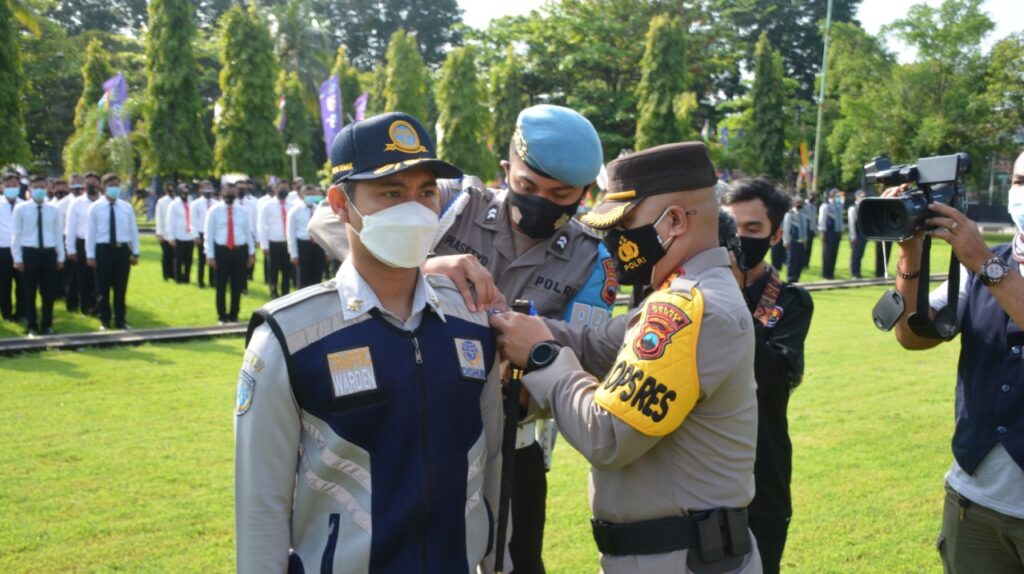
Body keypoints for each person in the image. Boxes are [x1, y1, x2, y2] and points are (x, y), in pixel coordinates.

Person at [308, 103, 618, 574]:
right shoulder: (454, 200)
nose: (539, 202)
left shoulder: (592, 259)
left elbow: (585, 350)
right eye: (527, 186)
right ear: (506, 169)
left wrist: (515, 334)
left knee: (513, 561)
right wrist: (422, 267)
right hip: (407, 419)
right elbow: (326, 220)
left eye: (560, 194)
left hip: (512, 436)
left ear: (584, 194)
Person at [236, 111, 506, 573]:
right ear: (340, 204)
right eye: (391, 192)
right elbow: (261, 505)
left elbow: (494, 469)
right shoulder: (289, 338)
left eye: (426, 192)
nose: (415, 209)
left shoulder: (473, 324)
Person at [490, 142, 760, 573]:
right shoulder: (683, 296)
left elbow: (607, 436)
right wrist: (499, 321)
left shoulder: (689, 309)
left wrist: (542, 356)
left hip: (679, 559)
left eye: (625, 224)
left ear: (673, 220)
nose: (614, 240)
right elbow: (596, 343)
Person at [887, 151, 1024, 574]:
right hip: (975, 503)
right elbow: (913, 335)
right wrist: (911, 254)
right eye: (1020, 182)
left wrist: (985, 263)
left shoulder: (984, 261)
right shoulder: (982, 263)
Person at [722, 178, 813, 574]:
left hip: (763, 468)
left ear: (776, 235)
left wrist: (733, 295)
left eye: (753, 230)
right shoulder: (688, 293)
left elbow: (777, 377)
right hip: (701, 467)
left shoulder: (791, 301)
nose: (739, 238)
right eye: (730, 227)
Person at [11, 176, 65, 335]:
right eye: (36, 187)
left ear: (47, 189)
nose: (39, 190)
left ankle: (47, 325)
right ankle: (32, 325)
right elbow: (16, 235)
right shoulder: (21, 209)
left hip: (48, 253)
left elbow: (57, 234)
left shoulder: (53, 210)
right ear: (30, 190)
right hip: (30, 253)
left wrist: (60, 257)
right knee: (29, 292)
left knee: (48, 292)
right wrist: (18, 258)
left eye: (42, 187)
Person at [85, 173, 139, 330]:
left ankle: (120, 320)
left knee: (120, 288)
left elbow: (133, 231)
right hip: (103, 250)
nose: (114, 188)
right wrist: (90, 255)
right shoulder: (95, 208)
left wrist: (135, 252)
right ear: (102, 187)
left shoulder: (126, 207)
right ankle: (105, 320)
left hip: (121, 250)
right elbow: (91, 233)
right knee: (103, 288)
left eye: (116, 185)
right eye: (110, 185)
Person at [205, 181, 254, 323]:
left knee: (237, 285)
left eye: (233, 193)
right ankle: (222, 315)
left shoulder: (243, 211)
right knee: (221, 285)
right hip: (221, 251)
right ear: (222, 192)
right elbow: (209, 234)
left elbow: (248, 233)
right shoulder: (214, 210)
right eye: (227, 192)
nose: (230, 195)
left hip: (239, 251)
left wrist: (251, 253)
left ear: (236, 194)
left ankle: (234, 314)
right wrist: (210, 255)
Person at [65, 174, 100, 316]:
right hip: (82, 243)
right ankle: (85, 307)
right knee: (84, 278)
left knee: (99, 278)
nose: (92, 187)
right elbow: (70, 227)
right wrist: (71, 248)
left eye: (94, 184)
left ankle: (98, 305)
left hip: (100, 243)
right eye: (89, 184)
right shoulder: (77, 203)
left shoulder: (103, 202)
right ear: (84, 187)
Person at [258, 179, 295, 298]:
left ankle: (285, 292)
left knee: (287, 270)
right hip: (273, 243)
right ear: (275, 189)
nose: (284, 190)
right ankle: (273, 291)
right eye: (281, 188)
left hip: (287, 243)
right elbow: (262, 226)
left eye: (286, 188)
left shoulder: (292, 206)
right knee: (273, 270)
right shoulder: (267, 205)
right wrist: (264, 245)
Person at [287, 184, 326, 289]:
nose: (310, 197)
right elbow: (290, 233)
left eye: (313, 194)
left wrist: (327, 250)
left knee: (317, 277)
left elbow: (323, 230)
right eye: (307, 194)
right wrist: (293, 253)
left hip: (318, 246)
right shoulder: (295, 211)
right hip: (303, 246)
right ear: (301, 195)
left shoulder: (319, 209)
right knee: (303, 278)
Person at [1, 172, 25, 321]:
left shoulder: (24, 205)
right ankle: (7, 313)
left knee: (23, 284)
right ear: (2, 187)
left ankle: (22, 312)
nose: (11, 188)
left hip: (21, 250)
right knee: (4, 284)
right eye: (8, 186)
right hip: (2, 249)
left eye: (14, 186)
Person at [166, 184, 196, 284]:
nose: (185, 194)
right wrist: (171, 237)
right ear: (179, 192)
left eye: (186, 192)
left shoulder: (192, 203)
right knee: (178, 259)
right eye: (183, 192)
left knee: (189, 260)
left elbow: (194, 220)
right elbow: (170, 221)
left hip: (190, 236)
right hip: (178, 235)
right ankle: (178, 278)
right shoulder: (174, 204)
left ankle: (187, 278)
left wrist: (194, 234)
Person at [192, 180, 215, 288]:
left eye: (209, 187)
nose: (208, 190)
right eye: (205, 187)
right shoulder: (196, 203)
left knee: (213, 257)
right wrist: (195, 235)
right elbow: (192, 221)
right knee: (202, 259)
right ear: (200, 189)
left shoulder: (216, 203)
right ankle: (201, 281)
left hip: (213, 234)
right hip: (201, 233)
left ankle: (212, 281)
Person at [781, 197, 809, 283]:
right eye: (798, 203)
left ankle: (797, 277)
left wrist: (805, 239)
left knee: (799, 260)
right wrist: (785, 240)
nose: (800, 204)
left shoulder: (803, 215)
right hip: (793, 241)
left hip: (801, 240)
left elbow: (804, 228)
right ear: (794, 204)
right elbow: (786, 228)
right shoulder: (790, 214)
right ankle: (790, 277)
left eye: (801, 202)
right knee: (792, 259)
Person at [818, 189, 844, 279]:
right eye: (836, 194)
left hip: (837, 232)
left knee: (834, 253)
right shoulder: (826, 206)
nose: (838, 196)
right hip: (828, 232)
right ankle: (826, 273)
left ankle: (831, 273)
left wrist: (841, 231)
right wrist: (822, 232)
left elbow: (840, 220)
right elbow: (822, 220)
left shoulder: (839, 206)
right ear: (831, 195)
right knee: (827, 253)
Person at [154, 183, 175, 281]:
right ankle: (166, 275)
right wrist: (159, 233)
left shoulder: (177, 201)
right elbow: (159, 218)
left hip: (176, 233)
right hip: (164, 233)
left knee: (175, 255)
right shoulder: (162, 201)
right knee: (166, 255)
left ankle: (174, 274)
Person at [848, 190, 867, 279]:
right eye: (861, 196)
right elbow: (851, 223)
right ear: (856, 197)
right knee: (855, 254)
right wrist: (853, 236)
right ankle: (854, 272)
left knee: (860, 253)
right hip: (856, 234)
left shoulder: (864, 207)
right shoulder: (853, 208)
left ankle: (858, 271)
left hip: (862, 234)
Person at [801, 193, 818, 271]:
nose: (812, 198)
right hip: (805, 230)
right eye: (811, 196)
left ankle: (806, 264)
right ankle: (802, 263)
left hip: (811, 230)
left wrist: (814, 230)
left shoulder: (814, 207)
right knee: (803, 248)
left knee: (809, 248)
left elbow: (814, 219)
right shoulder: (803, 206)